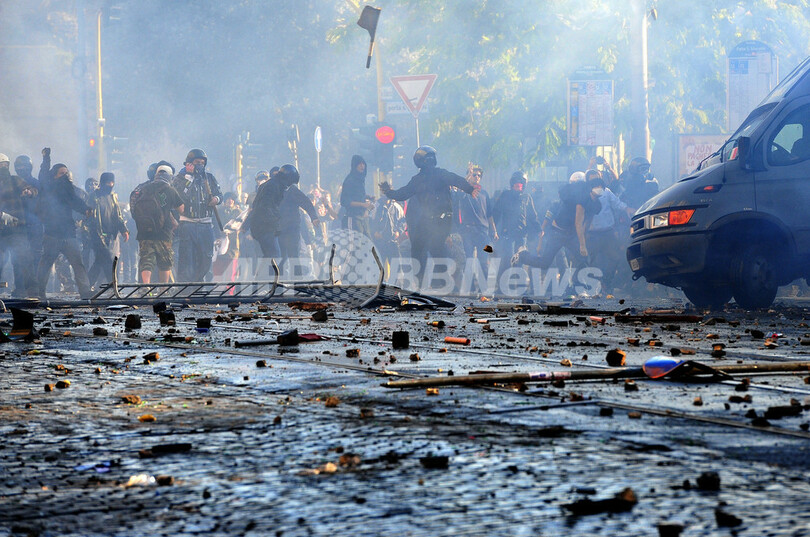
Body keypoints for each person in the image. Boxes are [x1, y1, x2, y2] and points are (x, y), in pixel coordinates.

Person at [380, 146, 479, 281]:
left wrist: (388, 191)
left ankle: (424, 282)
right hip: (441, 220)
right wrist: (469, 189)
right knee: (435, 249)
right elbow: (456, 179)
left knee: (419, 249)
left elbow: (402, 194)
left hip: (433, 220)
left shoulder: (418, 179)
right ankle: (446, 280)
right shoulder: (440, 174)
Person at [512, 174, 603, 275]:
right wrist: (582, 245)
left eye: (601, 187)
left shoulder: (597, 205)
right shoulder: (580, 200)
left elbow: (586, 225)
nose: (599, 189)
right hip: (557, 233)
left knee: (584, 259)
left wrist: (583, 243)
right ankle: (522, 256)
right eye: (597, 187)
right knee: (545, 263)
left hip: (571, 235)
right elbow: (578, 223)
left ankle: (577, 285)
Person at [35, 162, 94, 299]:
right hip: (52, 235)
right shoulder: (48, 188)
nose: (65, 176)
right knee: (45, 264)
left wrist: (85, 209)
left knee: (78, 264)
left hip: (69, 234)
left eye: (66, 174)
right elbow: (43, 175)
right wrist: (45, 160)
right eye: (62, 173)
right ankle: (39, 292)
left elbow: (75, 201)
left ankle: (85, 292)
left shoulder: (68, 189)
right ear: (54, 176)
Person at [172, 149, 223, 282]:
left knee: (206, 257)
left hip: (206, 225)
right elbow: (179, 196)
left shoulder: (209, 178)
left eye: (202, 163)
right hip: (187, 224)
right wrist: (188, 177)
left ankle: (202, 286)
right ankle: (185, 290)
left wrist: (216, 199)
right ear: (189, 163)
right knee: (186, 258)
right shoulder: (180, 178)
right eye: (196, 163)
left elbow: (220, 194)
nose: (199, 165)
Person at [584, 170, 635, 296]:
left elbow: (617, 203)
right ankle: (595, 288)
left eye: (597, 180)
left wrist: (627, 208)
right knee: (593, 262)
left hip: (608, 233)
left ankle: (607, 282)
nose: (596, 183)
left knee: (615, 258)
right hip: (592, 235)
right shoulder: (584, 195)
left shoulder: (607, 192)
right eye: (592, 180)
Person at [132, 164, 184, 283]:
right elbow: (181, 209)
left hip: (144, 232)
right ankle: (163, 289)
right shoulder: (170, 189)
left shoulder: (144, 188)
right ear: (169, 176)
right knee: (165, 262)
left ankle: (146, 288)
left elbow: (135, 207)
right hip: (163, 232)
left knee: (146, 260)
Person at [0, 153, 38, 297]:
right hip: (1, 231)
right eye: (1, 166)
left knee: (24, 260)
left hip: (17, 229)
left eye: (5, 165)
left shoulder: (15, 180)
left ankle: (31, 291)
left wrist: (29, 192)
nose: (3, 168)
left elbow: (34, 190)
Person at [244, 164, 300, 258]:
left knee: (271, 255)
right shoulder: (273, 187)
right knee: (273, 255)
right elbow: (261, 208)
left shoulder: (274, 186)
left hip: (266, 226)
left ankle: (264, 272)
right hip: (265, 226)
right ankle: (266, 273)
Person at [492, 171, 540, 277]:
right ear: (512, 184)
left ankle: (519, 287)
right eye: (516, 183)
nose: (518, 185)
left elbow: (532, 216)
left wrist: (539, 229)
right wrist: (493, 229)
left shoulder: (527, 197)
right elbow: (496, 213)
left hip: (522, 236)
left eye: (521, 183)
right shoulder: (505, 195)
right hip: (508, 234)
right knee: (507, 259)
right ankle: (501, 287)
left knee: (520, 261)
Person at [86, 172, 129, 287]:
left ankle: (87, 285)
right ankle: (113, 285)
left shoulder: (113, 197)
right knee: (106, 261)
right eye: (108, 182)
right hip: (97, 234)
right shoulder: (94, 197)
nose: (110, 184)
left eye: (112, 182)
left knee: (100, 261)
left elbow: (117, 215)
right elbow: (89, 217)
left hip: (111, 235)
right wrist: (93, 233)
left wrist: (123, 229)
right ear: (102, 183)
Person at [455, 164, 497, 275]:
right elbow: (459, 191)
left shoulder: (484, 193)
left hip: (483, 232)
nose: (477, 177)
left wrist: (494, 230)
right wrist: (468, 176)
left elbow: (489, 214)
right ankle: (470, 288)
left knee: (484, 260)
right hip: (467, 231)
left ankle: (484, 289)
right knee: (468, 260)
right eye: (474, 175)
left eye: (479, 175)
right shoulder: (464, 191)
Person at [277, 172, 320, 273]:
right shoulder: (275, 190)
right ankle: (278, 285)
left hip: (292, 229)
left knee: (294, 257)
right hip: (279, 230)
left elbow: (306, 202)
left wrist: (313, 217)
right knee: (281, 259)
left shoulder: (292, 191)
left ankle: (296, 284)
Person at [14, 154, 45, 274]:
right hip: (18, 224)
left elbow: (41, 200)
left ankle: (34, 284)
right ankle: (20, 286)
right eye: (19, 166)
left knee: (35, 254)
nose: (21, 169)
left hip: (34, 224)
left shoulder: (36, 183)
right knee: (18, 256)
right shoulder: (13, 182)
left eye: (24, 166)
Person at [340, 155, 373, 236]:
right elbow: (344, 201)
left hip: (362, 218)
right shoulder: (350, 180)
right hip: (352, 218)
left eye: (363, 164)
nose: (362, 166)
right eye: (359, 164)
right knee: (354, 245)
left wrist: (368, 197)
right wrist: (363, 204)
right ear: (355, 166)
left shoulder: (360, 180)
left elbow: (356, 195)